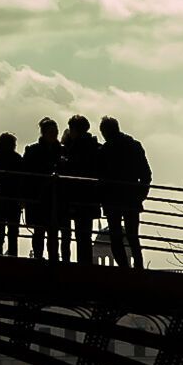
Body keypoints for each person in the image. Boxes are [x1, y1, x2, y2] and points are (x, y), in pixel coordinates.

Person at [99, 116, 151, 269]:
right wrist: (140, 195)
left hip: (112, 200)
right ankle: (138, 269)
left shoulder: (104, 151)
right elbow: (146, 174)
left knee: (116, 237)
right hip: (131, 199)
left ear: (104, 132)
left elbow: (100, 177)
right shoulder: (134, 146)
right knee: (133, 237)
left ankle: (124, 269)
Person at [59, 115, 104, 266]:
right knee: (86, 234)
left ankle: (78, 264)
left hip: (77, 196)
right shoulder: (94, 146)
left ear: (74, 129)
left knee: (77, 234)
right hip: (91, 196)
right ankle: (85, 264)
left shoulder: (76, 147)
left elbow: (73, 169)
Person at [23, 120, 64, 259]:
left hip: (45, 196)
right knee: (44, 231)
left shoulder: (33, 150)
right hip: (43, 196)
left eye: (55, 132)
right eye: (52, 132)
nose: (54, 135)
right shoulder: (60, 151)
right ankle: (45, 257)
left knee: (47, 232)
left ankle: (44, 258)